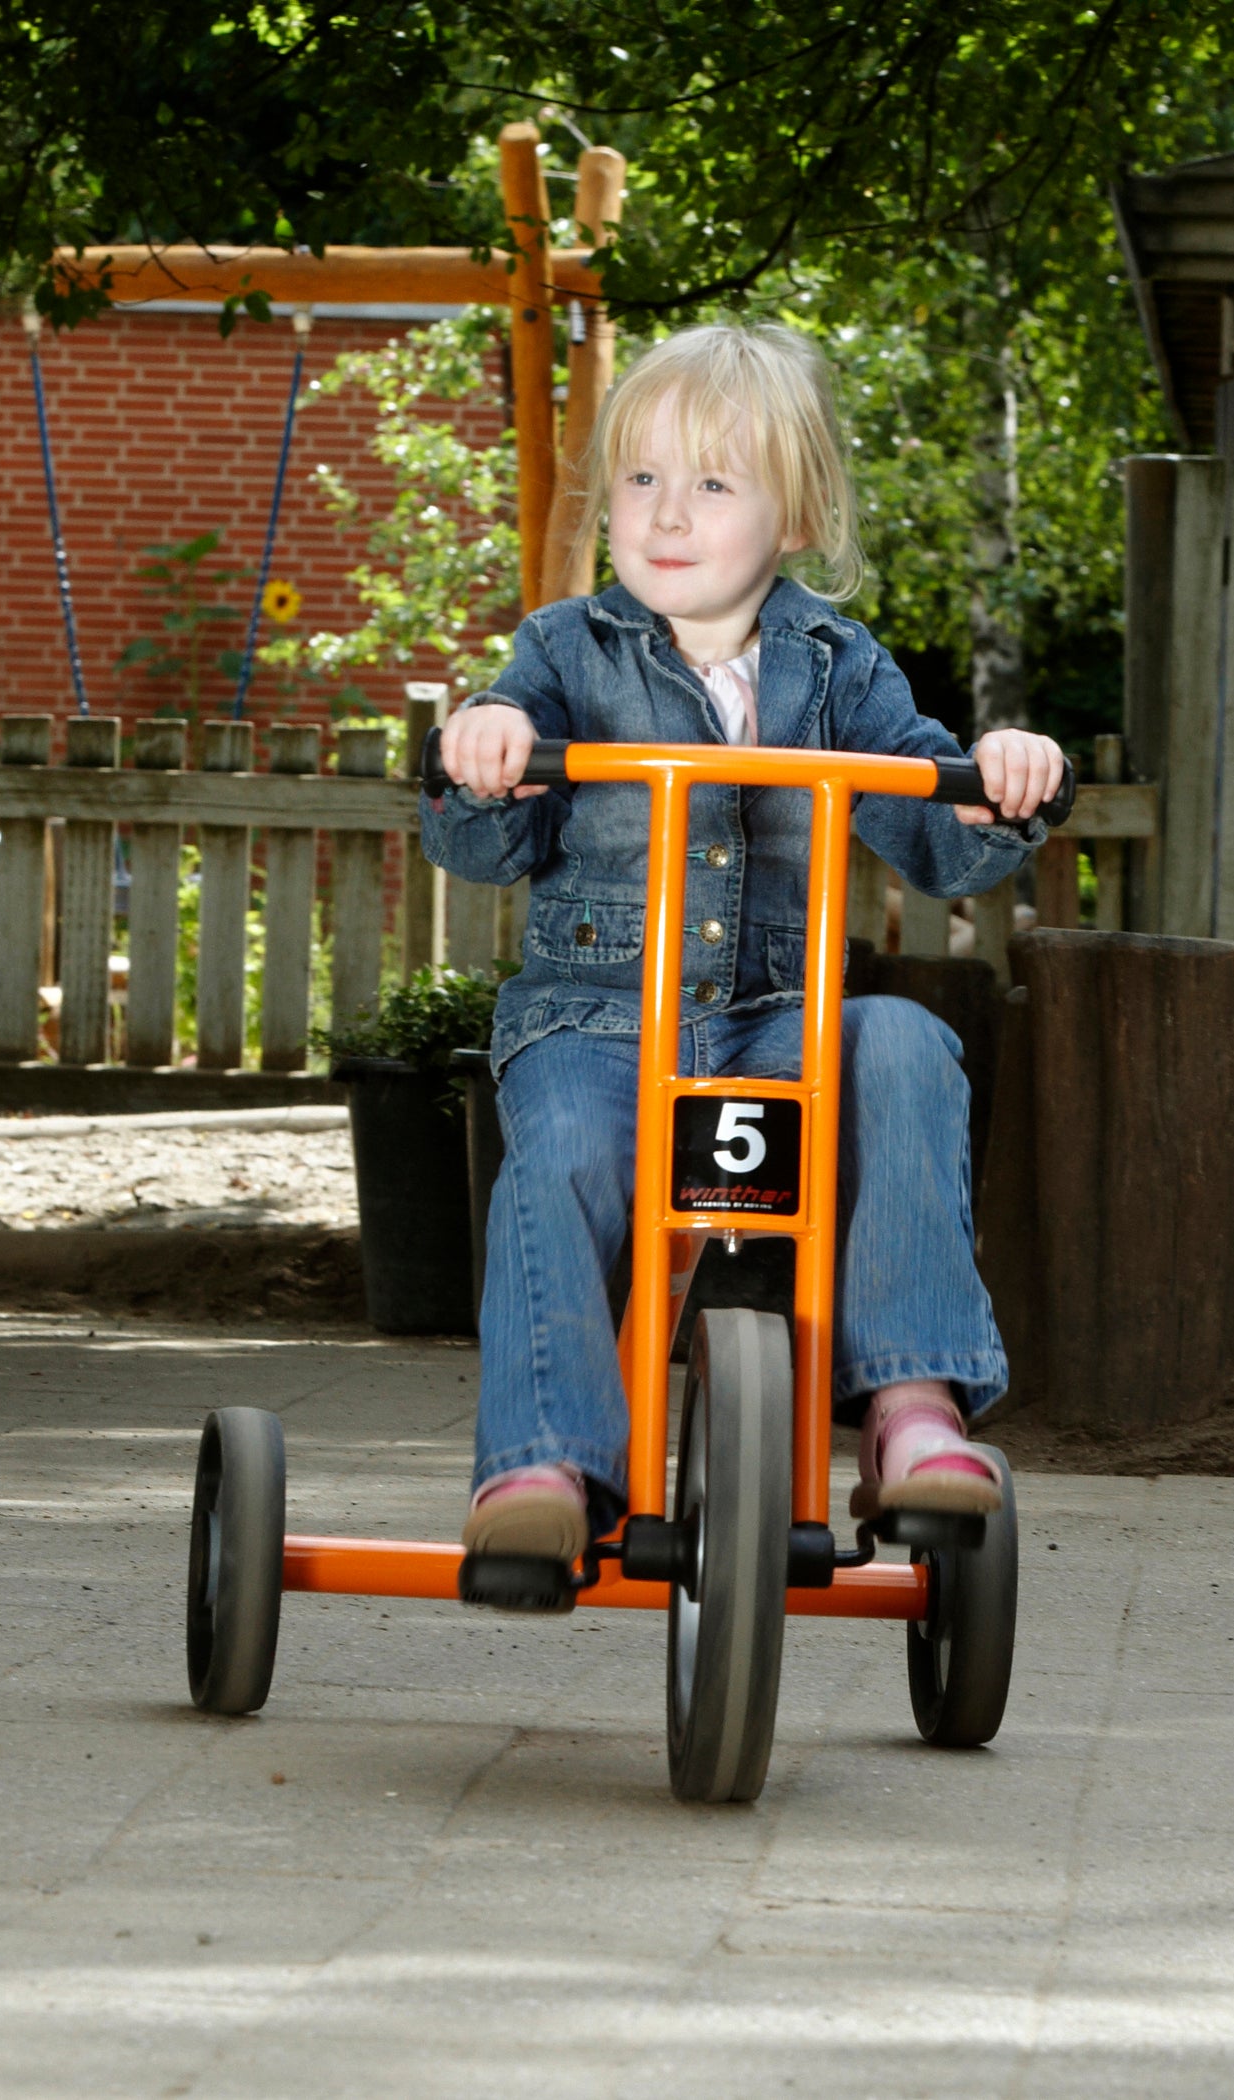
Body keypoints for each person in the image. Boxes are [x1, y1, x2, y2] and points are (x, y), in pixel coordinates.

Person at [422, 321, 1064, 1574]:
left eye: (713, 484)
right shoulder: (563, 653)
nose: (667, 514)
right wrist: (488, 752)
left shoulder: (839, 667)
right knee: (553, 1155)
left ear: (800, 513)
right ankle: (543, 1463)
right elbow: (487, 843)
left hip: (779, 1016)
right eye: (642, 480)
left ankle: (910, 1412)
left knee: (905, 1042)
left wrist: (998, 784)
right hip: (596, 1024)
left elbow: (932, 828)